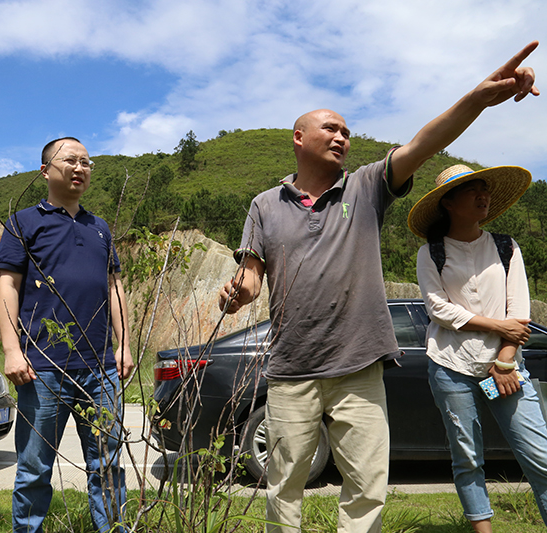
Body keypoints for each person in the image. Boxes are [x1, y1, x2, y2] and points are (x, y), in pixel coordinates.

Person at [218, 42, 539, 533]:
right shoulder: (265, 204)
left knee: (367, 486)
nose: (343, 136)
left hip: (359, 367)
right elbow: (253, 276)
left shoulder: (366, 188)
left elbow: (423, 143)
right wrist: (237, 291)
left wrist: (477, 98)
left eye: (347, 131)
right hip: (290, 369)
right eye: (331, 128)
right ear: (299, 137)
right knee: (283, 484)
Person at [0, 137, 133, 533]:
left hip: (101, 367)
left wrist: (124, 345)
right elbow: (8, 286)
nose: (80, 167)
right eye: (70, 160)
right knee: (36, 466)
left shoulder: (100, 228)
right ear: (45, 170)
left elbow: (114, 288)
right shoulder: (23, 222)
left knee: (107, 462)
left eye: (86, 162)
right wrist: (11, 350)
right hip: (43, 367)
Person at [409, 164, 547, 532]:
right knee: (467, 457)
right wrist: (495, 324)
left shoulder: (505, 246)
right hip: (451, 365)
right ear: (448, 203)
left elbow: (518, 311)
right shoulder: (431, 252)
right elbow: (437, 308)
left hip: (504, 369)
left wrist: (504, 362)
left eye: (484, 189)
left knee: (540, 456)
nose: (482, 195)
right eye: (472, 190)